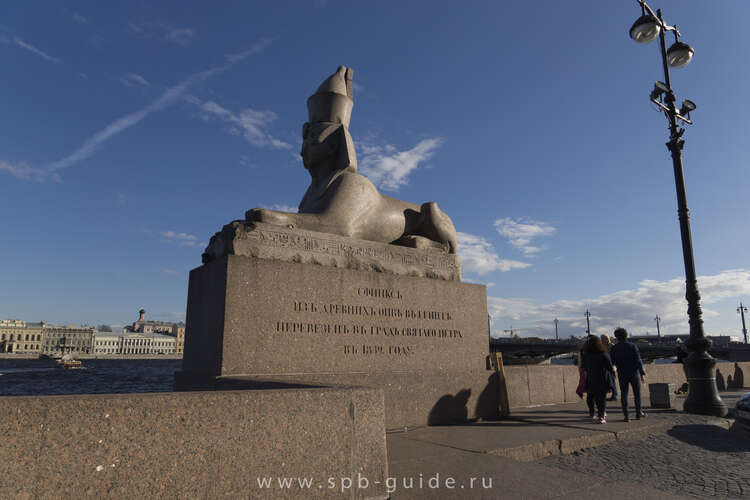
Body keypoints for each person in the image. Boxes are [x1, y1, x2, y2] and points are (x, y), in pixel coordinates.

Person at [610, 327, 646, 422]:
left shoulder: (614, 348)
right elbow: (638, 360)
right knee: (637, 394)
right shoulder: (632, 346)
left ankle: (626, 416)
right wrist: (642, 373)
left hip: (622, 373)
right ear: (626, 335)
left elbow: (612, 362)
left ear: (616, 337)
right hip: (634, 373)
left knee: (624, 395)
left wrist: (614, 368)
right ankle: (638, 414)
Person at [582, 336, 615, 424]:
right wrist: (615, 368)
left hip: (591, 378)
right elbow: (610, 367)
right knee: (601, 399)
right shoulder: (603, 353)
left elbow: (584, 368)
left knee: (593, 397)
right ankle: (601, 416)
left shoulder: (586, 355)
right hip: (602, 378)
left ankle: (594, 413)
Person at [600, 334, 618, 401]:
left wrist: (615, 365)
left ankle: (614, 395)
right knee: (606, 381)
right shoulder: (602, 346)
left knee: (612, 381)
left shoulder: (612, 346)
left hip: (611, 366)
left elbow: (616, 357)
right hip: (605, 366)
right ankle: (608, 395)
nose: (602, 340)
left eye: (603, 339)